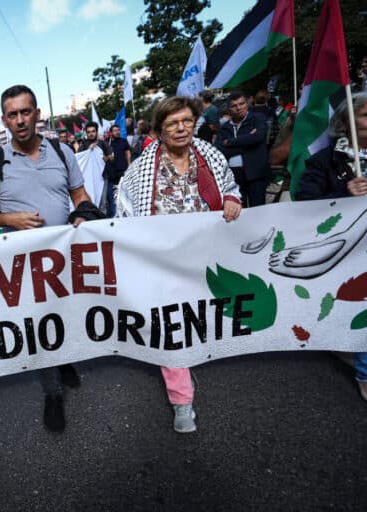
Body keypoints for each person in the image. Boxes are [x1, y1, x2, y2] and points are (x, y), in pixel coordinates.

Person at [116, 96, 242, 433]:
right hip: (163, 262)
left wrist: (232, 200)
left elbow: (231, 186)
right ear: (158, 130)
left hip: (206, 256)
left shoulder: (210, 155)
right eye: (172, 123)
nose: (181, 128)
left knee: (204, 320)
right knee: (170, 328)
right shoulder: (142, 169)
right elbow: (125, 213)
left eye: (186, 120)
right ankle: (181, 400)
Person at [0, 84, 92, 433]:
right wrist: (10, 218)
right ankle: (52, 393)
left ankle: (64, 361)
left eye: (26, 112)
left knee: (66, 315)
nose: (20, 120)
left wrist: (81, 214)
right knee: (40, 326)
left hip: (65, 257)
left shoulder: (61, 150)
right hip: (23, 265)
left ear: (37, 114)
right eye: (13, 115)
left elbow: (79, 194)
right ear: (4, 121)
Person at [296, 92, 367, 401]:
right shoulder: (325, 161)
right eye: (366, 115)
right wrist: (342, 193)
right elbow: (305, 201)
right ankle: (364, 372)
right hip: (350, 252)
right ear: (346, 122)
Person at [215, 90, 271, 207]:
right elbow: (219, 150)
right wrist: (248, 141)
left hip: (255, 173)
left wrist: (230, 142)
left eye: (241, 104)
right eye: (234, 106)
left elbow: (258, 137)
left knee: (259, 210)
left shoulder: (257, 118)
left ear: (247, 104)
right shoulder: (225, 127)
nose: (238, 108)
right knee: (239, 211)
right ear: (229, 109)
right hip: (233, 175)